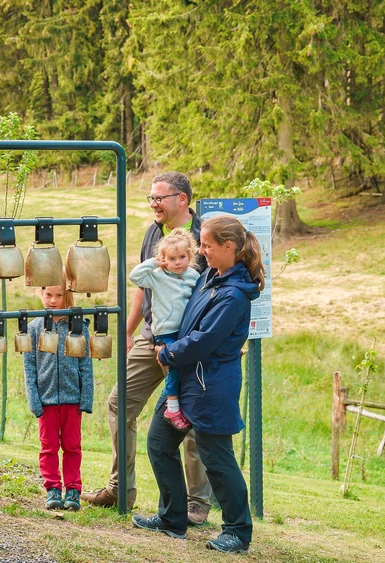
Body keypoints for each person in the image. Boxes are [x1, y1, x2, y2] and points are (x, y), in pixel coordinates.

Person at [82, 171, 213, 525]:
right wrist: (129, 331)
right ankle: (119, 489)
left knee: (190, 416)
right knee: (118, 402)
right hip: (151, 337)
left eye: (160, 198)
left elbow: (214, 293)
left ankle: (196, 503)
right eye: (151, 198)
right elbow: (145, 285)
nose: (153, 204)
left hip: (188, 345)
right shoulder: (153, 233)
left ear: (181, 200)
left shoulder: (205, 236)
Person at [132, 215, 264, 554]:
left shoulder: (233, 295)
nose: (201, 250)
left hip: (210, 387)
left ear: (229, 247)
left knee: (217, 459)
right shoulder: (209, 276)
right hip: (187, 380)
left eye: (207, 245)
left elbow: (206, 340)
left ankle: (237, 531)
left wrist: (169, 353)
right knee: (159, 444)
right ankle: (173, 518)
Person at [23, 278, 95, 511]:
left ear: (67, 296)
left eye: (59, 295)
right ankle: (53, 488)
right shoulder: (33, 328)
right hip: (46, 401)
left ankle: (73, 489)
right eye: (48, 295)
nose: (53, 301)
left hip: (72, 399)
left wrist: (86, 398)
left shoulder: (78, 326)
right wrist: (34, 400)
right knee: (49, 447)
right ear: (40, 295)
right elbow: (29, 366)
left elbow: (85, 365)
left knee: (73, 446)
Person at [128, 229, 199, 432]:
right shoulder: (157, 277)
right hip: (166, 332)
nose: (178, 263)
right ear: (163, 259)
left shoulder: (193, 276)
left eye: (182, 257)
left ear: (189, 256)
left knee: (186, 370)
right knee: (173, 368)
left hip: (185, 330)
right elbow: (135, 276)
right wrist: (155, 263)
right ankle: (172, 407)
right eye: (172, 258)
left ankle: (184, 406)